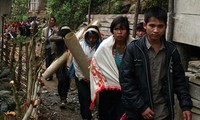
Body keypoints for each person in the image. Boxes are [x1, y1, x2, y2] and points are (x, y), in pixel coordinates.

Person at [119, 6, 193, 120]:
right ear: (145, 26)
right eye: (152, 26)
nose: (156, 30)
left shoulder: (171, 51)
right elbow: (126, 81)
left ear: (165, 27)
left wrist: (186, 105)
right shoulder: (134, 49)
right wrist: (141, 106)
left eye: (160, 26)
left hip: (163, 111)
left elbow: (179, 80)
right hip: (138, 112)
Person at [90, 16, 134, 120]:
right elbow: (95, 66)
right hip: (109, 90)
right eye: (116, 29)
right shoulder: (104, 47)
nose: (119, 32)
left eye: (122, 29)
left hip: (128, 90)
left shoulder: (134, 46)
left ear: (127, 31)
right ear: (112, 31)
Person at [73, 25, 102, 120]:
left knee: (93, 99)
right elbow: (76, 62)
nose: (91, 40)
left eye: (94, 37)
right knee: (84, 97)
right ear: (86, 37)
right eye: (90, 37)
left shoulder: (100, 47)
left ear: (97, 37)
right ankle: (86, 117)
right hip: (81, 77)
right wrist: (82, 76)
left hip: (95, 78)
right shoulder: (80, 45)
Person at [49, 25, 71, 109]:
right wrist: (63, 39)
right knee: (61, 80)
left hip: (68, 62)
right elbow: (51, 39)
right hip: (58, 63)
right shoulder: (57, 39)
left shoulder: (71, 40)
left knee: (66, 80)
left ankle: (64, 97)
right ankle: (62, 97)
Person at [41, 16, 58, 81]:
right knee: (48, 62)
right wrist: (45, 39)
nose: (51, 21)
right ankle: (49, 75)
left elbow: (58, 37)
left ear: (55, 22)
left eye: (53, 20)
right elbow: (42, 37)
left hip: (54, 48)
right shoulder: (44, 29)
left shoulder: (57, 29)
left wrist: (54, 34)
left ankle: (55, 74)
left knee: (54, 62)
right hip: (47, 47)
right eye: (50, 20)